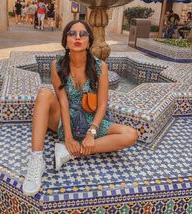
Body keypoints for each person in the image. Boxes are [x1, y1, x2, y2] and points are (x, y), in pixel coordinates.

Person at [22, 20, 138, 196]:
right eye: (72, 33)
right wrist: (68, 137)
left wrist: (91, 132)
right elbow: (63, 102)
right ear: (66, 40)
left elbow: (102, 104)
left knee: (131, 135)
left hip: (90, 121)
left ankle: (69, 153)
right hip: (64, 120)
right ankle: (37, 159)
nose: (77, 37)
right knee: (44, 93)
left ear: (89, 41)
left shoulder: (101, 67)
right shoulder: (57, 66)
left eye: (82, 34)